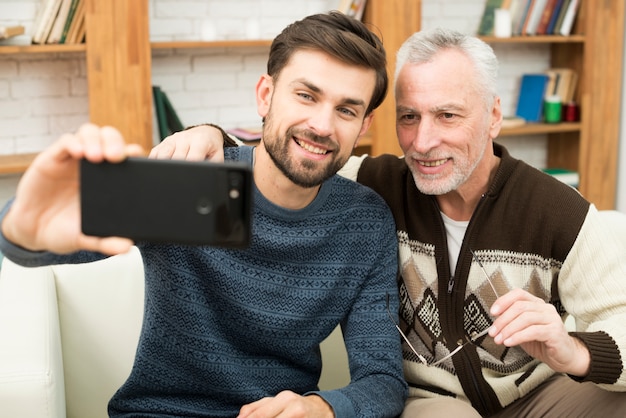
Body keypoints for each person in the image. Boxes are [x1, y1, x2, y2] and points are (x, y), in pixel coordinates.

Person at [157, 27, 626, 417]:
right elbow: (295, 155)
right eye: (409, 117)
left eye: (447, 116)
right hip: (435, 402)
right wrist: (211, 138)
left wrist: (576, 351)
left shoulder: (557, 211)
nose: (423, 142)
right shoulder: (376, 184)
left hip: (539, 394)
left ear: (493, 116)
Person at [0, 12, 408, 418]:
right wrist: (24, 229)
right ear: (265, 95)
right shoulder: (197, 185)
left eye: (346, 110)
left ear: (364, 123)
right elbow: (38, 239)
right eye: (306, 95)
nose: (322, 125)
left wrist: (321, 408)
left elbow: (383, 382)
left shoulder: (363, 222)